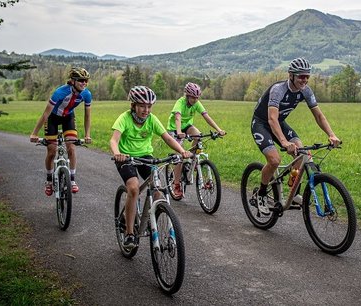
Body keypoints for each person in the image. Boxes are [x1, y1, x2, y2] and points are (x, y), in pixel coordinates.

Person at [251, 57, 341, 215]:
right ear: (291, 75)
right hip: (262, 124)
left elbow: (319, 116)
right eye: (301, 76)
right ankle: (262, 194)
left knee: (302, 153)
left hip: (280, 123)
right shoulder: (278, 90)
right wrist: (284, 142)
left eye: (307, 76)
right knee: (274, 160)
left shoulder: (306, 90)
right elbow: (272, 119)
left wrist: (331, 135)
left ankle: (293, 192)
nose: (304, 79)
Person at [110, 86, 191, 249]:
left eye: (149, 106)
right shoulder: (124, 118)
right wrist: (117, 153)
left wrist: (182, 151)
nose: (146, 110)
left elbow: (167, 137)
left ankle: (153, 215)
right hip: (126, 157)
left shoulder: (152, 119)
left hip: (146, 156)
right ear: (133, 106)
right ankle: (130, 233)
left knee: (158, 189)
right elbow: (114, 140)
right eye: (142, 106)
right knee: (133, 188)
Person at [30, 67, 92, 196]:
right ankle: (49, 181)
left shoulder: (86, 94)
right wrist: (34, 133)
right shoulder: (60, 92)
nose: (84, 83)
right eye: (81, 80)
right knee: (52, 151)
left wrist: (87, 135)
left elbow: (87, 116)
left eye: (86, 80)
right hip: (52, 118)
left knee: (72, 147)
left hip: (68, 118)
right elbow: (45, 114)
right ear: (73, 81)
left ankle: (72, 180)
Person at [166, 82, 226, 199]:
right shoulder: (180, 102)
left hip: (187, 126)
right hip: (174, 128)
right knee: (179, 155)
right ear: (187, 96)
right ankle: (176, 184)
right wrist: (179, 132)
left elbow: (206, 116)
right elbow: (177, 117)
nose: (195, 100)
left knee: (198, 136)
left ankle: (192, 160)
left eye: (197, 98)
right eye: (193, 97)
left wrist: (218, 130)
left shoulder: (197, 103)